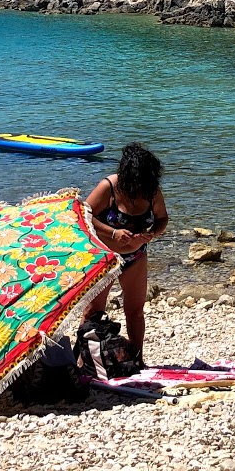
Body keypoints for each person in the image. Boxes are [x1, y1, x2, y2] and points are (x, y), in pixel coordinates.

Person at [81, 142, 169, 361]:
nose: (140, 188)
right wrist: (112, 233)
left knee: (136, 311)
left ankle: (137, 359)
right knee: (94, 311)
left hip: (136, 256)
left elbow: (162, 219)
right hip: (105, 256)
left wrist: (152, 233)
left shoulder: (152, 191)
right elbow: (82, 215)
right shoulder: (109, 187)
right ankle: (83, 360)